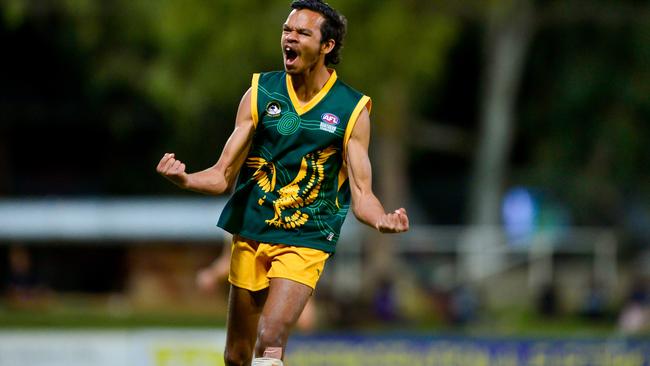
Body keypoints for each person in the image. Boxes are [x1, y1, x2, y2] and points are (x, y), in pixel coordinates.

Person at [156, 1, 409, 365]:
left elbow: (362, 195)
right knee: (237, 355)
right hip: (251, 230)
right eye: (287, 30)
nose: (290, 38)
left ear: (327, 46)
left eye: (303, 33)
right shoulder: (260, 93)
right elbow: (221, 175)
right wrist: (185, 179)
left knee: (271, 336)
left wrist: (381, 218)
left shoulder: (351, 109)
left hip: (304, 240)